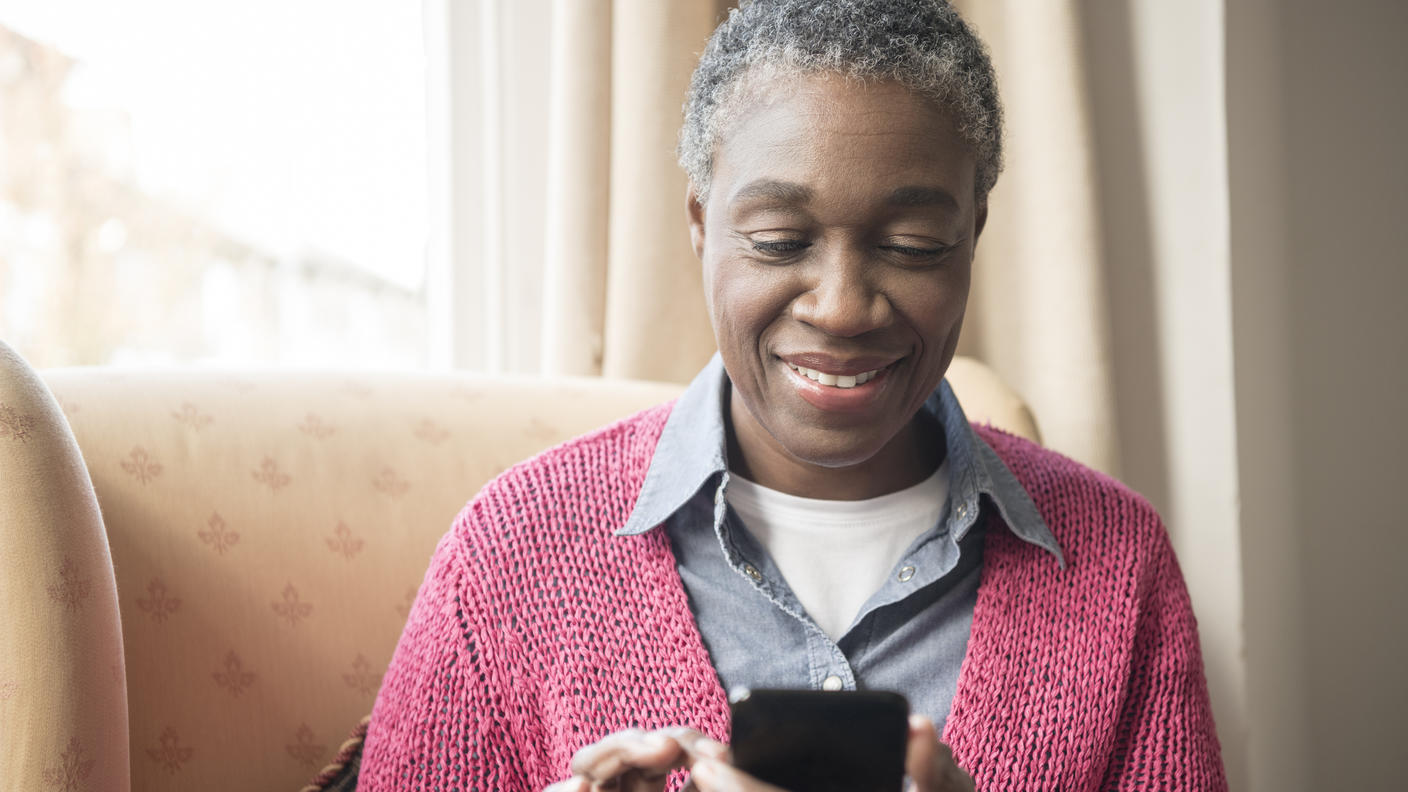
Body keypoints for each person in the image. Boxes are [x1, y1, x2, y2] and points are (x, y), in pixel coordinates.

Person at [357, 1, 1227, 790]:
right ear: (700, 225)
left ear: (973, 235)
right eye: (778, 240)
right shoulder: (511, 557)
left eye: (915, 243)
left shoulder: (1118, 565)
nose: (843, 306)